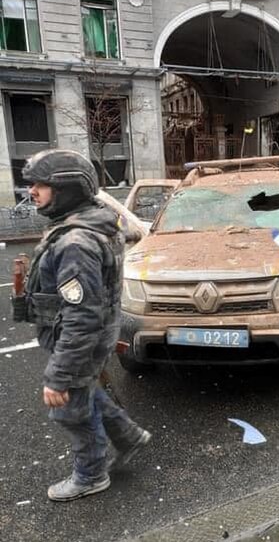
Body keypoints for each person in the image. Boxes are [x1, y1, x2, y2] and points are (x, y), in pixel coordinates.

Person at [11, 149, 150, 502]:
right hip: (85, 334)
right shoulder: (82, 222)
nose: (32, 192)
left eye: (41, 185)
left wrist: (58, 375)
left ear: (67, 188)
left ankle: (91, 474)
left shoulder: (78, 241)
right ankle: (128, 437)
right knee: (85, 389)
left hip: (79, 339)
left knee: (69, 409)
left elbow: (81, 315)